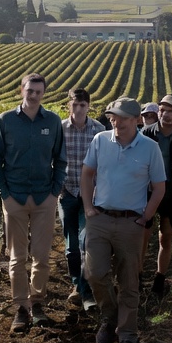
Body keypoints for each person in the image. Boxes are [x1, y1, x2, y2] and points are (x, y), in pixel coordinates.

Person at [81, 97, 166, 343]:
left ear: (135, 120)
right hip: (101, 219)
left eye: (119, 117)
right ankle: (110, 317)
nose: (114, 121)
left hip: (131, 222)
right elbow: (87, 174)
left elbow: (159, 188)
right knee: (94, 273)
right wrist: (88, 208)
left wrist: (145, 218)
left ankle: (127, 335)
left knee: (129, 281)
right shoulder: (100, 141)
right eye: (112, 116)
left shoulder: (150, 148)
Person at [0, 72, 66, 333]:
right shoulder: (6, 121)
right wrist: (5, 195)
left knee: (42, 257)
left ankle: (38, 303)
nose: (33, 95)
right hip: (15, 199)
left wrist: (55, 192)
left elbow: (61, 160)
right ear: (20, 90)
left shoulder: (53, 122)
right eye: (29, 90)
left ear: (44, 93)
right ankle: (21, 308)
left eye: (38, 91)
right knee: (17, 258)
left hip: (45, 197)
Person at [58, 88, 105, 311]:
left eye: (82, 105)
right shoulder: (60, 129)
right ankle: (77, 284)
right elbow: (52, 160)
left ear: (89, 106)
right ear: (69, 105)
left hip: (91, 196)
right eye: (75, 105)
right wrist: (58, 188)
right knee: (71, 247)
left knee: (86, 242)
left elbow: (103, 165)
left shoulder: (99, 130)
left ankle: (85, 292)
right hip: (67, 193)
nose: (78, 109)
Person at [141, 94, 172, 299]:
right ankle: (138, 275)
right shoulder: (146, 134)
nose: (165, 114)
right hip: (147, 193)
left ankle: (160, 279)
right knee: (142, 236)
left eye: (170, 110)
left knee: (166, 237)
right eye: (162, 110)